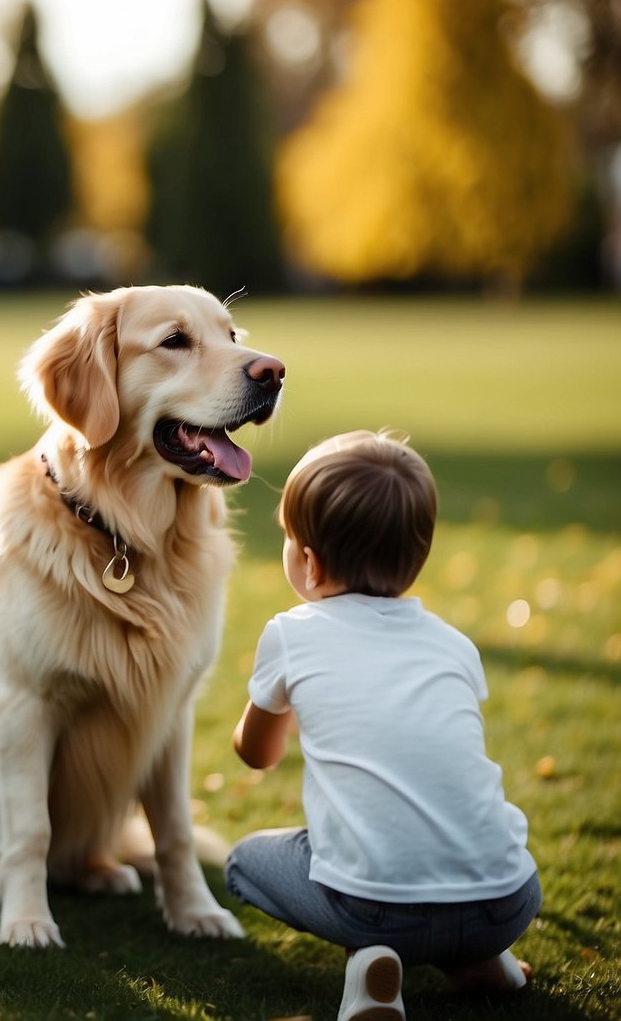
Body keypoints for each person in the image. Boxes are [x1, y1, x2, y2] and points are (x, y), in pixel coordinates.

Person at [225, 429, 540, 1021]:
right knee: (419, 845)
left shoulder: (292, 635)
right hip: (510, 898)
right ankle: (480, 956)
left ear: (310, 564)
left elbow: (256, 755)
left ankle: (373, 964)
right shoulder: (454, 645)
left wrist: (281, 711)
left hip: (377, 909)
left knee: (246, 862)